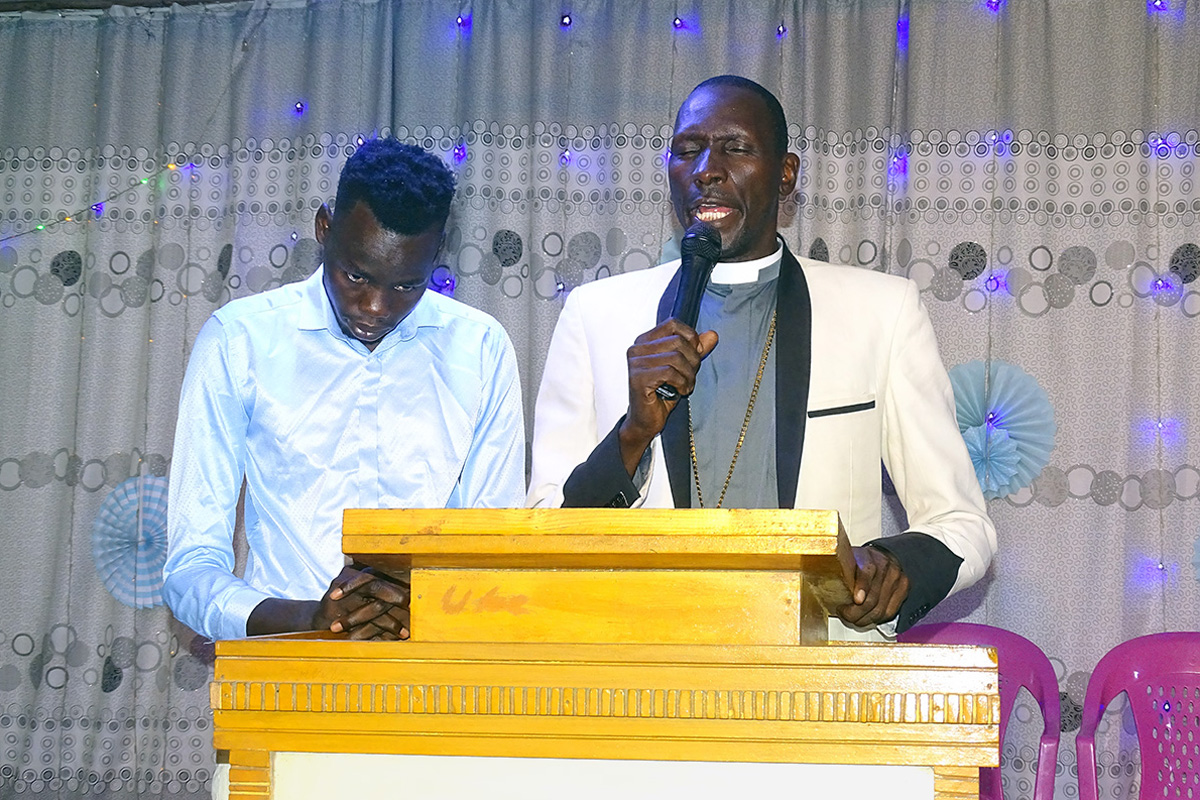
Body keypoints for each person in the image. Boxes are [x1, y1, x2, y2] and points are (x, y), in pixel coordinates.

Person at [526, 76, 995, 635]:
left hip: (815, 675)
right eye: (687, 150)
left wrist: (894, 569)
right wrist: (632, 435)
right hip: (642, 660)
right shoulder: (595, 314)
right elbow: (542, 533)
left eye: (736, 148)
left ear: (787, 173)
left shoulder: (881, 310)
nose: (706, 169)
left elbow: (963, 523)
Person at [164, 138, 525, 642]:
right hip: (286, 669)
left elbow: (494, 546)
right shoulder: (240, 339)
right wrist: (308, 621)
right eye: (356, 274)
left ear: (436, 254)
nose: (375, 307)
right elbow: (189, 568)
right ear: (324, 227)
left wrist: (423, 609)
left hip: (435, 670)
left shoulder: (481, 348)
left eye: (406, 285)